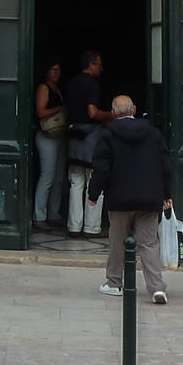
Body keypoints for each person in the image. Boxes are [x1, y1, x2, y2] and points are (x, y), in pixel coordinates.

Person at [89, 94, 174, 305]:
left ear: (113, 112)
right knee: (149, 243)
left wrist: (93, 194)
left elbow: (101, 168)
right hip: (148, 198)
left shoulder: (107, 133)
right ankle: (157, 288)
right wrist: (167, 195)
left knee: (117, 241)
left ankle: (114, 283)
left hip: (119, 199)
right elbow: (165, 165)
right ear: (134, 110)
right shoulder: (153, 133)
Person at [62, 50, 109, 238]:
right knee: (94, 181)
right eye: (99, 64)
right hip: (91, 138)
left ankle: (74, 226)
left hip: (74, 136)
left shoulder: (71, 83)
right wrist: (110, 115)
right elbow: (92, 112)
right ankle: (91, 227)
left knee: (75, 182)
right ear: (91, 65)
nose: (101, 68)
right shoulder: (93, 85)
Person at [32, 61, 67, 231]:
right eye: (54, 70)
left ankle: (54, 214)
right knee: (47, 177)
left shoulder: (56, 88)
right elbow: (40, 112)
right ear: (46, 71)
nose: (57, 73)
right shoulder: (44, 88)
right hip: (46, 136)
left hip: (59, 136)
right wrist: (61, 108)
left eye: (59, 70)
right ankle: (39, 216)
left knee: (59, 178)